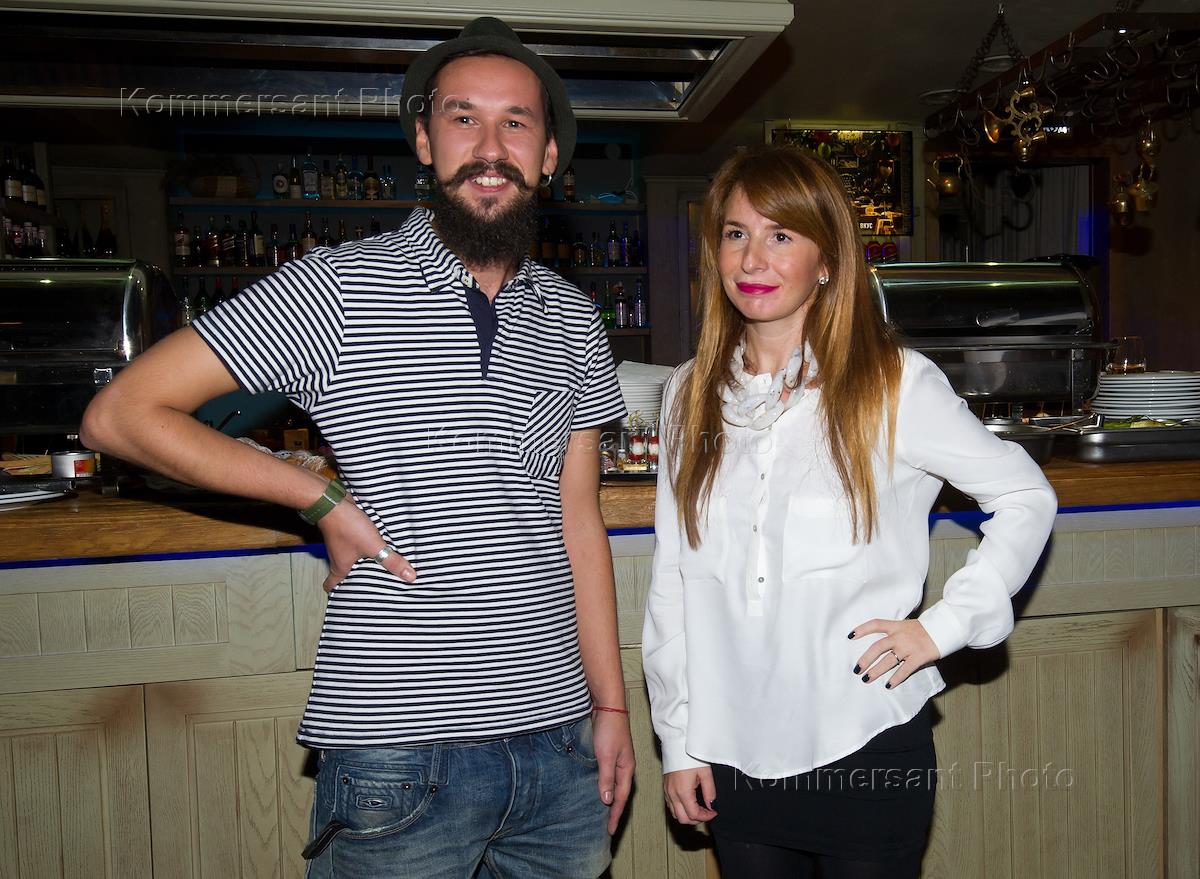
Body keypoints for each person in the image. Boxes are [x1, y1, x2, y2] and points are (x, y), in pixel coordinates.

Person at [82, 17, 633, 879]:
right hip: (396, 747)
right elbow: (122, 414)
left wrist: (612, 706)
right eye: (463, 118)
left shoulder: (570, 314)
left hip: (558, 742)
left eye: (516, 123)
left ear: (550, 154)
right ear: (424, 140)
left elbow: (579, 524)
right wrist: (319, 499)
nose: (490, 147)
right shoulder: (338, 285)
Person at [641, 145, 1056, 879]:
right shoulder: (688, 393)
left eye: (781, 235)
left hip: (864, 740)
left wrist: (944, 626)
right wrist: (678, 739)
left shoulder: (895, 384)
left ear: (827, 259)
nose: (752, 259)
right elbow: (673, 580)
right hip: (731, 750)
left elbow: (1025, 495)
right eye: (736, 233)